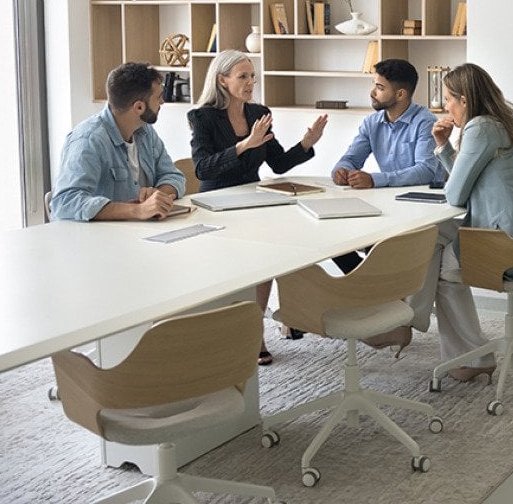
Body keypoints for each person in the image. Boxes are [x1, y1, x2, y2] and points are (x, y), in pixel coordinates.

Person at [373, 63, 513, 381]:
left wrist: (444, 148)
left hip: (510, 244)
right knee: (429, 238)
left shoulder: (480, 128)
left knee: (441, 263)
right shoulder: (505, 123)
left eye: (448, 98)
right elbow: (468, 182)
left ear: (465, 99)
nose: (445, 106)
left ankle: (412, 328)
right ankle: (436, 340)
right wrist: (445, 148)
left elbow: (457, 194)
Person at [187, 50, 327, 365]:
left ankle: (256, 330)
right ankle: (242, 329)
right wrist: (243, 146)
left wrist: (307, 142)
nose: (251, 82)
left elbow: (277, 162)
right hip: (217, 202)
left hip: (254, 198)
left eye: (252, 76)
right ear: (222, 80)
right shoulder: (202, 117)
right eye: (242, 76)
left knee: (273, 251)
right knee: (244, 260)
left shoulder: (259, 113)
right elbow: (203, 169)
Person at [328, 59, 446, 275]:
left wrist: (374, 180)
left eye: (380, 88)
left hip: (420, 209)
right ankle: (369, 284)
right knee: (333, 236)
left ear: (400, 94)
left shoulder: (425, 122)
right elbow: (352, 157)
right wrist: (341, 169)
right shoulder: (371, 123)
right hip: (386, 206)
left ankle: (382, 287)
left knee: (383, 248)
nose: (372, 92)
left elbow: (425, 170)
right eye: (374, 85)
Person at [51, 62, 186, 222]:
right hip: (101, 241)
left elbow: (173, 175)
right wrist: (137, 210)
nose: (162, 102)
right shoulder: (88, 141)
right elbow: (65, 202)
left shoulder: (145, 131)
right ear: (139, 107)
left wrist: (158, 195)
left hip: (142, 233)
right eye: (158, 97)